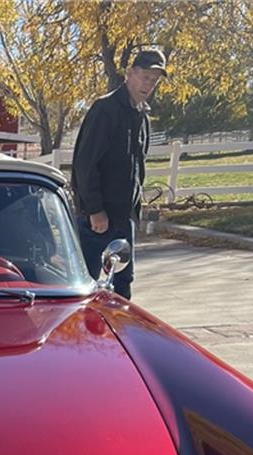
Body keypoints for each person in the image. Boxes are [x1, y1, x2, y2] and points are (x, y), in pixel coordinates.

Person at [70, 47, 167, 300]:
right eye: (145, 76)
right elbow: (85, 163)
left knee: (123, 284)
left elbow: (136, 167)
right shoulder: (105, 109)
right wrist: (94, 209)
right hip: (97, 220)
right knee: (87, 286)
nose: (149, 84)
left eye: (154, 80)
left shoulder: (142, 117)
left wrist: (136, 209)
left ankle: (117, 338)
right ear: (129, 74)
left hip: (125, 218)